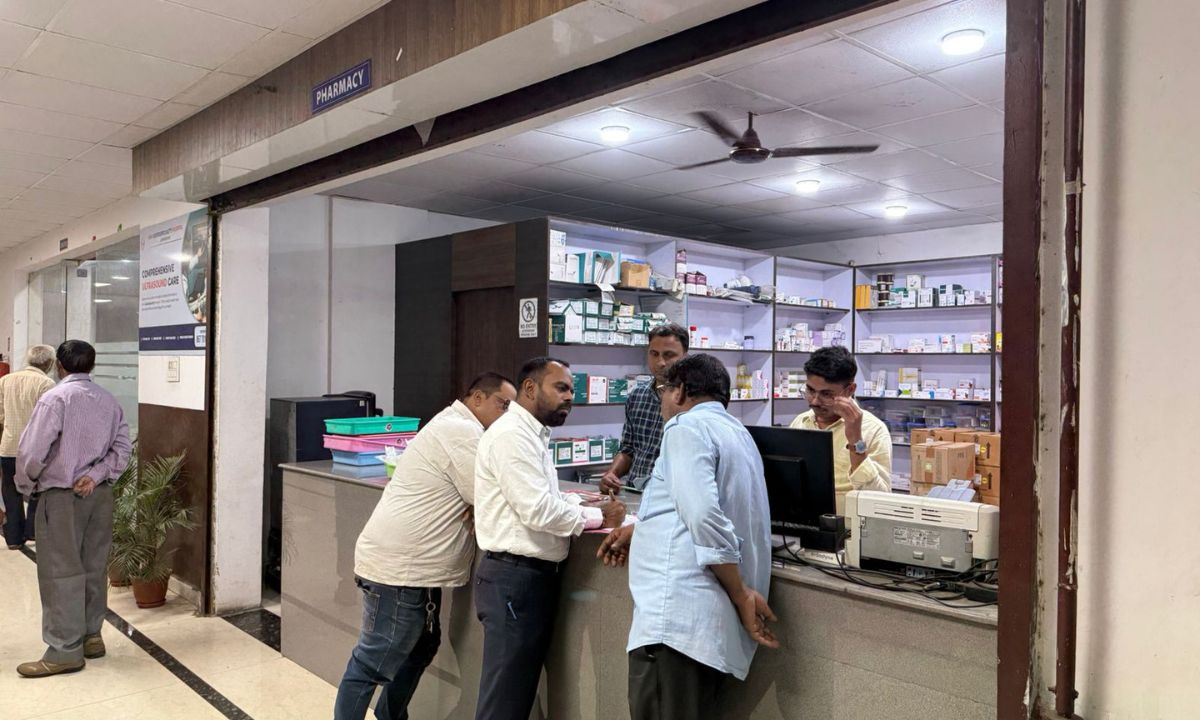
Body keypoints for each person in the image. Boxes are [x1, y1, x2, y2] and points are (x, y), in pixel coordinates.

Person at [598, 353, 777, 720]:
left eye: (662, 390)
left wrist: (740, 593)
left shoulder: (684, 427)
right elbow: (702, 507)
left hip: (676, 627)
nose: (661, 401)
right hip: (700, 631)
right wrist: (640, 530)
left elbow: (703, 515)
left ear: (679, 391)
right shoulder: (738, 433)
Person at [334, 372, 518, 720]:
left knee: (420, 648)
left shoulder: (459, 427)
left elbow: (484, 497)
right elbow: (491, 495)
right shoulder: (461, 431)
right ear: (477, 398)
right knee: (374, 659)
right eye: (502, 404)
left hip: (415, 566)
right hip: (400, 567)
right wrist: (484, 500)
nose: (507, 414)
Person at [473, 357, 626, 720]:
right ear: (530, 388)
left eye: (572, 390)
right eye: (561, 388)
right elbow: (537, 510)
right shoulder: (512, 436)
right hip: (514, 578)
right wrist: (599, 517)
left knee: (517, 693)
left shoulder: (532, 434)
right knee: (505, 700)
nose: (570, 397)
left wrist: (579, 504)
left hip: (528, 579)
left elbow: (543, 497)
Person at [14, 340, 131, 678]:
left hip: (61, 496)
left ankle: (64, 651)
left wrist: (27, 486)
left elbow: (32, 452)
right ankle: (91, 636)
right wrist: (96, 475)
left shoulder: (55, 399)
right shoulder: (108, 401)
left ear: (59, 367)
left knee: (60, 571)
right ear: (91, 366)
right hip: (99, 495)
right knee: (94, 565)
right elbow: (122, 448)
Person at [788, 346, 891, 513]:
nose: (814, 401)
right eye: (810, 390)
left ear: (850, 390)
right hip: (803, 519)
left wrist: (856, 439)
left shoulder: (873, 429)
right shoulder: (800, 422)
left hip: (848, 525)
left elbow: (880, 500)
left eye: (827, 394)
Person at [600, 323, 689, 493]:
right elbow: (628, 449)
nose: (660, 362)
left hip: (669, 497)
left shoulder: (692, 401)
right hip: (634, 492)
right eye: (654, 354)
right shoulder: (637, 395)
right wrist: (612, 474)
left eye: (669, 355)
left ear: (685, 356)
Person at [0, 344, 57, 550]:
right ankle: (32, 530)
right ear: (50, 363)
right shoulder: (47, 384)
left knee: (10, 490)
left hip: (8, 447)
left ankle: (14, 538)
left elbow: (0, 415)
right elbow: (49, 419)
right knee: (38, 489)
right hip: (35, 449)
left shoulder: (5, 380)